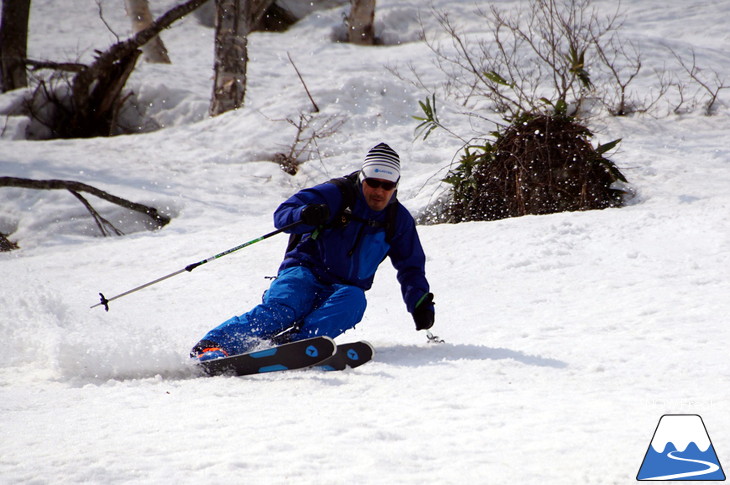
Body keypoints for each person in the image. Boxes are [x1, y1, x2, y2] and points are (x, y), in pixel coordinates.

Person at [191, 142, 435, 361]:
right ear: (362, 179)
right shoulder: (337, 193)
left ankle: (297, 345)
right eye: (373, 183)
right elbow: (283, 214)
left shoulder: (397, 220)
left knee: (354, 301)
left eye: (387, 185)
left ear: (395, 186)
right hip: (304, 272)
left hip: (342, 288)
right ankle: (213, 345)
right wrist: (304, 214)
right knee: (283, 309)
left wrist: (420, 302)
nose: (379, 191)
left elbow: (411, 266)